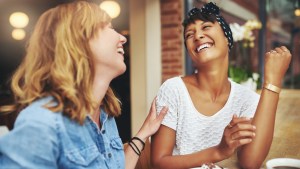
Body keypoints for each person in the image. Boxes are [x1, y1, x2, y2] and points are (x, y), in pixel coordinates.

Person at [0, 1, 168, 169]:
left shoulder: (104, 115)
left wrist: (144, 132)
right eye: (109, 27)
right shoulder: (41, 123)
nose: (122, 38)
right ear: (79, 41)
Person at [151, 2, 291, 169]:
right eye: (189, 35)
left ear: (227, 39)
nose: (197, 36)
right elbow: (158, 162)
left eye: (206, 27)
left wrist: (272, 82)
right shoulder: (173, 90)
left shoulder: (247, 100)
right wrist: (219, 151)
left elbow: (250, 163)